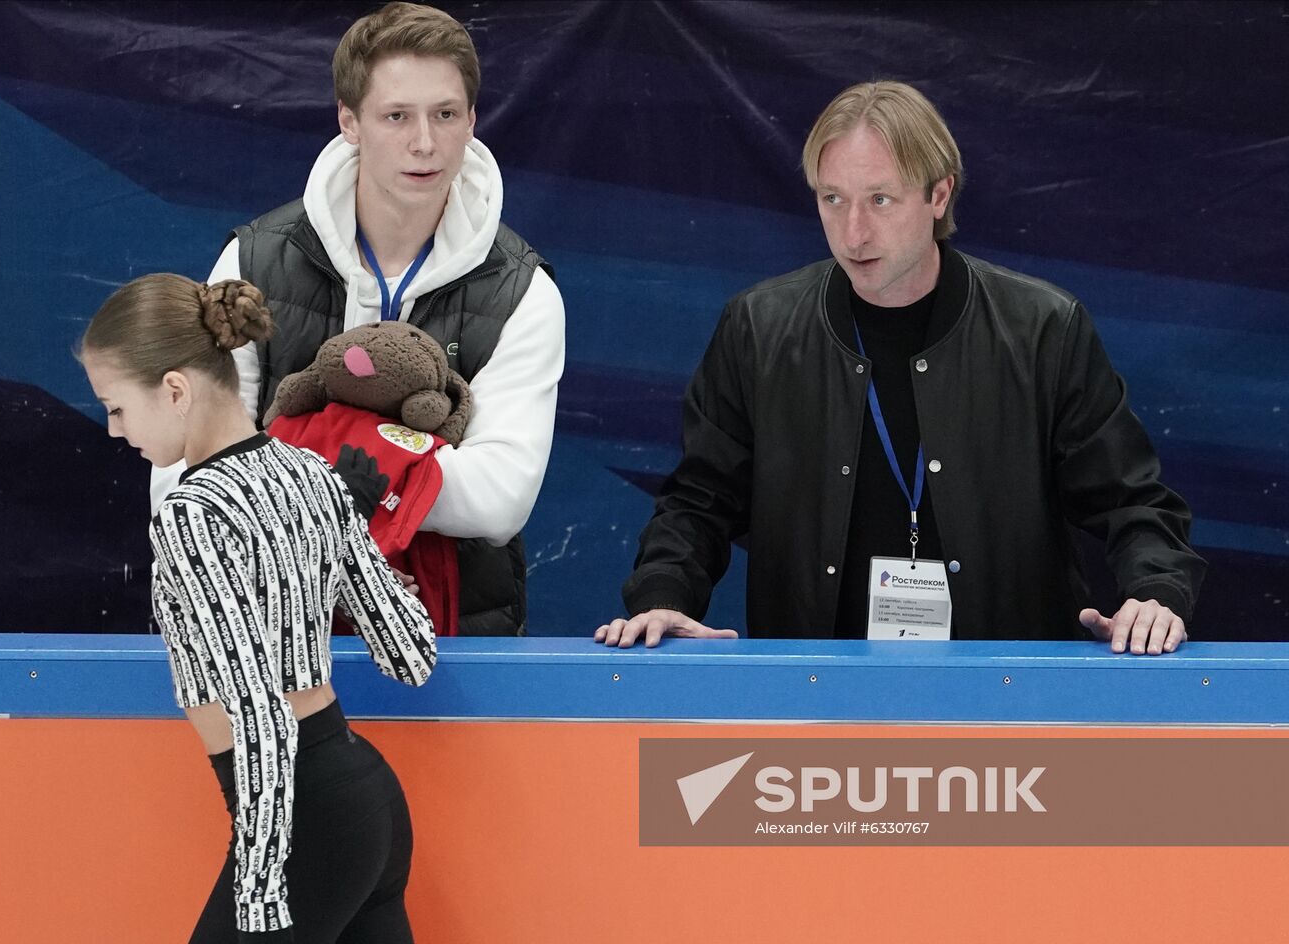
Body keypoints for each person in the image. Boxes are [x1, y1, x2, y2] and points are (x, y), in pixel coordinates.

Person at [596, 80, 1205, 655]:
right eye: (833, 199)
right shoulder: (758, 329)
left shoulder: (1042, 327)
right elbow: (700, 499)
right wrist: (663, 596)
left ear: (939, 195)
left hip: (1004, 691)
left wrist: (1155, 594)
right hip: (819, 692)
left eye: (880, 200)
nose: (854, 231)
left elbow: (1133, 499)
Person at [151, 1, 566, 636]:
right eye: (397, 116)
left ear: (472, 119)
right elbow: (183, 471)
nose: (425, 142)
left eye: (445, 115)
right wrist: (389, 482)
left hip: (446, 636)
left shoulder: (523, 290)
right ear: (350, 121)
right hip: (263, 627)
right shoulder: (254, 259)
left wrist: (285, 468)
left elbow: (499, 497)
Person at [81, 273, 437, 942]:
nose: (112, 428)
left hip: (300, 823)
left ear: (175, 390)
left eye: (118, 406)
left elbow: (258, 715)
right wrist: (334, 549)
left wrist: (262, 883)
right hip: (365, 798)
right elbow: (411, 656)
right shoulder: (313, 476)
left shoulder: (192, 515)